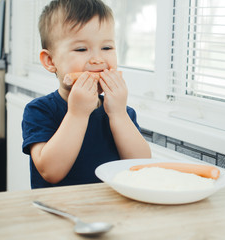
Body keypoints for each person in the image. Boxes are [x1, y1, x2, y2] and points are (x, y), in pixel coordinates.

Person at [22, 0, 151, 189]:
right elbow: (50, 172)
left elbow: (141, 167)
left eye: (107, 48)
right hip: (57, 211)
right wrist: (77, 113)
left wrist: (119, 114)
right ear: (50, 61)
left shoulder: (122, 112)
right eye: (81, 49)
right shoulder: (40, 110)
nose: (98, 59)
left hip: (110, 210)